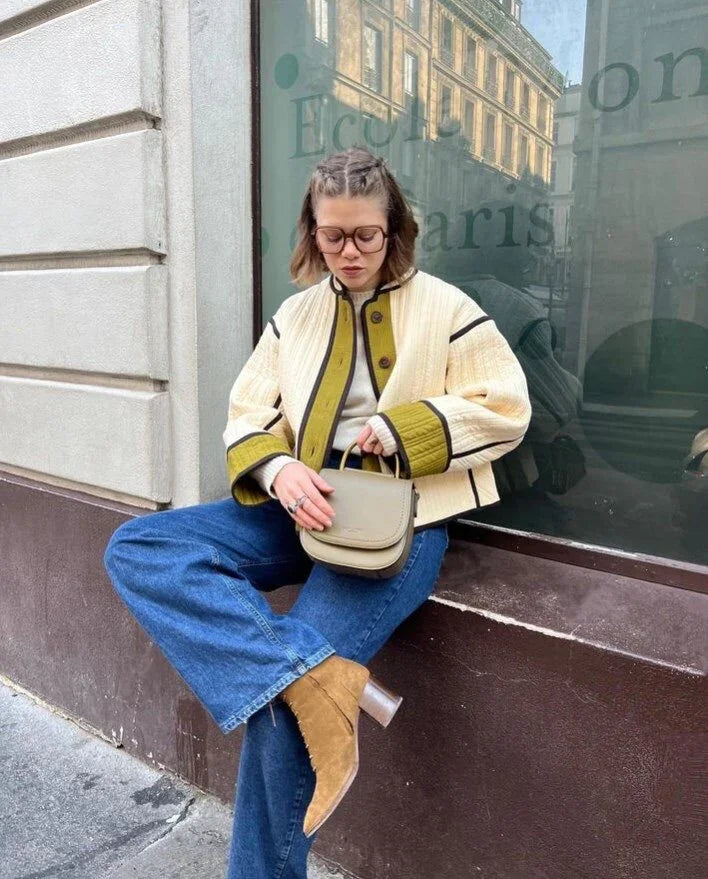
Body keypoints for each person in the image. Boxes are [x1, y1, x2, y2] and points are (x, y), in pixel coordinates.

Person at [102, 146, 532, 879]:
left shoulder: (447, 308)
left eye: (367, 234)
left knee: (277, 713)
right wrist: (277, 465)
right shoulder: (294, 317)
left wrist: (406, 430)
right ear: (312, 230)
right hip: (301, 513)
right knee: (137, 548)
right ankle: (313, 672)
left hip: (401, 529)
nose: (350, 251)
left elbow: (508, 407)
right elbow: (246, 414)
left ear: (395, 227)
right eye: (333, 236)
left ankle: (295, 701)